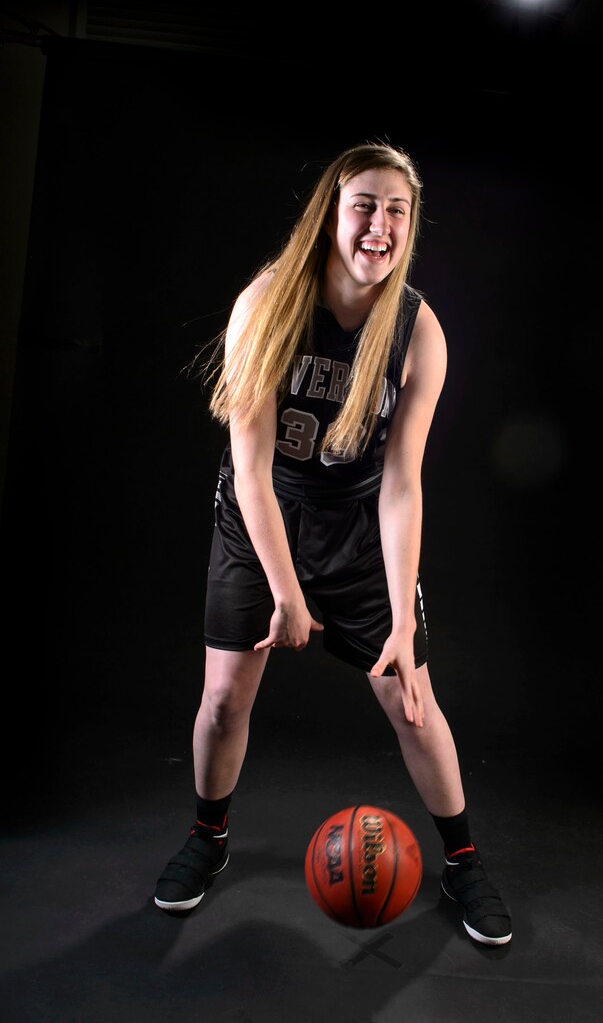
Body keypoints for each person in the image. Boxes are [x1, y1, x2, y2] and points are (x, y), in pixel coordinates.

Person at [153, 141, 512, 947]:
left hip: (355, 525)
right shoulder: (268, 303)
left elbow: (402, 483)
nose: (380, 224)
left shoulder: (418, 332)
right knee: (225, 698)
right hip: (262, 517)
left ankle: (463, 862)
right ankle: (208, 837)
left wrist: (402, 616)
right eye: (365, 205)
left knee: (412, 701)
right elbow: (250, 470)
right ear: (331, 215)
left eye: (397, 210)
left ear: (409, 227)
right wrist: (285, 592)